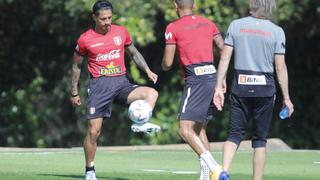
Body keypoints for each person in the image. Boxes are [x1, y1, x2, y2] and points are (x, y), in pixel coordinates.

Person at [70, 1, 160, 180]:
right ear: (94, 17)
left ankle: (140, 123)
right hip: (99, 87)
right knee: (94, 131)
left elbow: (133, 53)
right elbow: (76, 66)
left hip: (121, 84)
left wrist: (148, 70)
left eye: (110, 18)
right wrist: (74, 91)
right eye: (103, 19)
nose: (107, 22)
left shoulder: (121, 32)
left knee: (152, 93)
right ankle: (90, 170)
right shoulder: (85, 39)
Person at [213, 0, 294, 180]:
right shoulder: (277, 31)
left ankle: (223, 171)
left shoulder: (236, 25)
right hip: (265, 91)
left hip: (240, 88)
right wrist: (286, 98)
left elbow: (225, 58)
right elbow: (280, 68)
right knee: (259, 140)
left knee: (234, 135)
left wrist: (218, 86)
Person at [161, 0, 224, 179]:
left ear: (175, 6)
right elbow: (223, 47)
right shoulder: (209, 23)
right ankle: (205, 176)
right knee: (199, 130)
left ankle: (215, 168)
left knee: (184, 130)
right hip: (212, 78)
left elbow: (167, 62)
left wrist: (163, 66)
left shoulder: (172, 27)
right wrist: (222, 77)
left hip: (196, 80)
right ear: (194, 5)